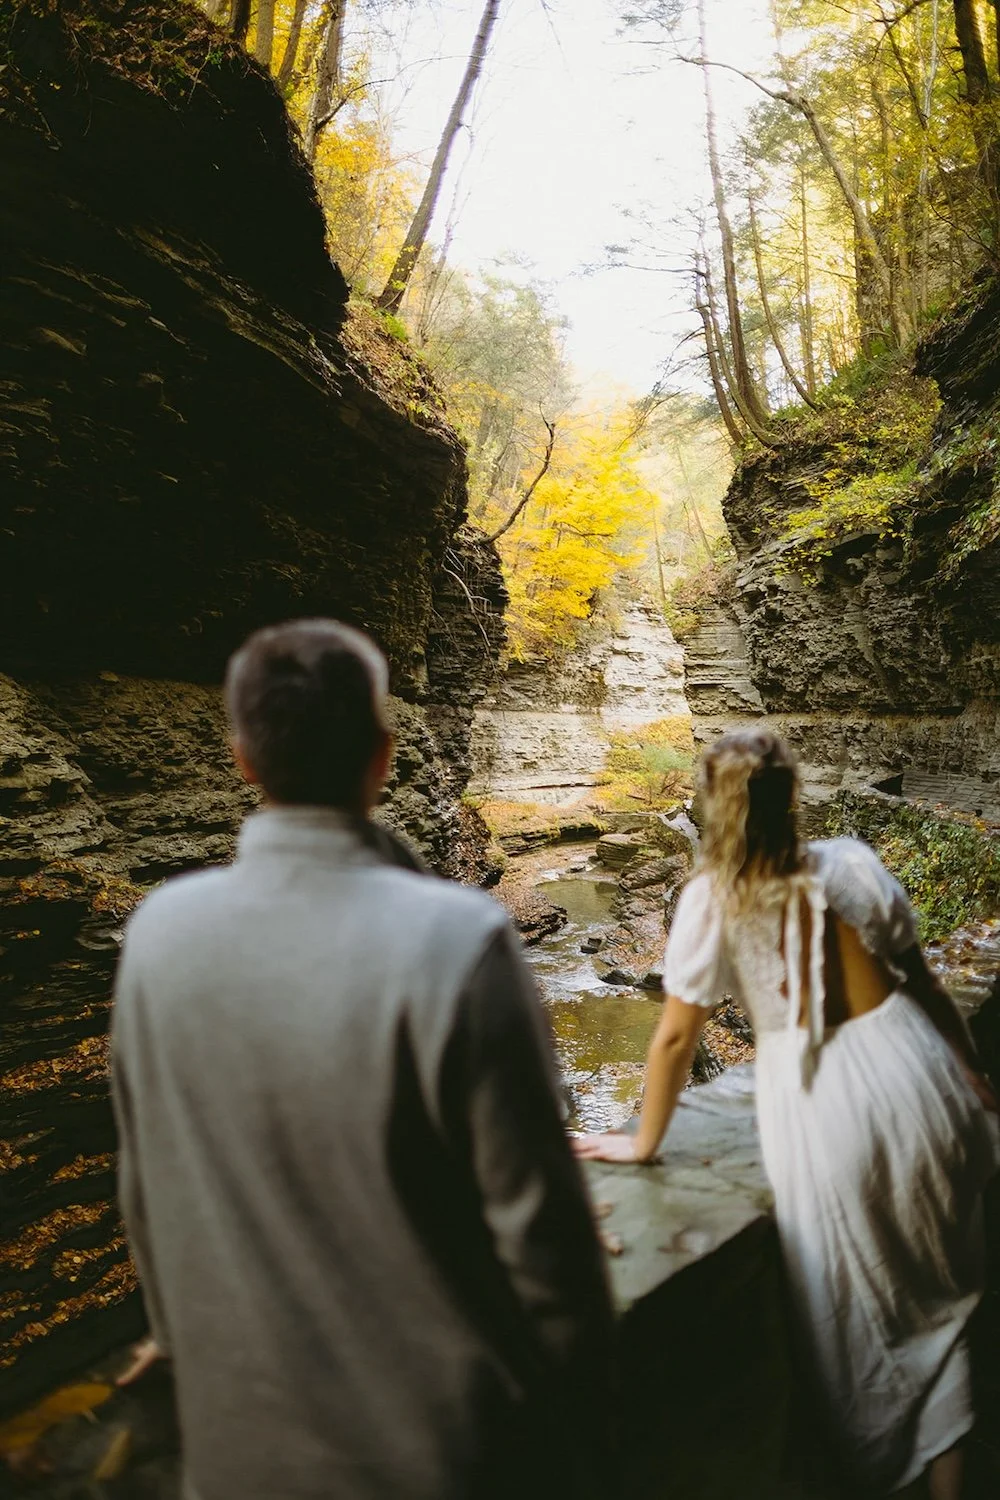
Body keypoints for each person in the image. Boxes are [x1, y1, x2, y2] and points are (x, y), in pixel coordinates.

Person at [111, 618, 615, 1500]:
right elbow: (546, 1246)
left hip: (239, 1450)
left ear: (243, 759)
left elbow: (145, 1186)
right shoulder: (458, 938)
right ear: (384, 756)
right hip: (438, 1452)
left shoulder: (157, 933)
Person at [575, 728, 999, 1498]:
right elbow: (923, 980)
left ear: (714, 809)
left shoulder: (714, 896)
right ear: (791, 795)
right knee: (944, 1305)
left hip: (828, 1103)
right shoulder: (851, 865)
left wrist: (644, 1141)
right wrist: (966, 1069)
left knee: (874, 1310)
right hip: (917, 1073)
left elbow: (675, 1037)